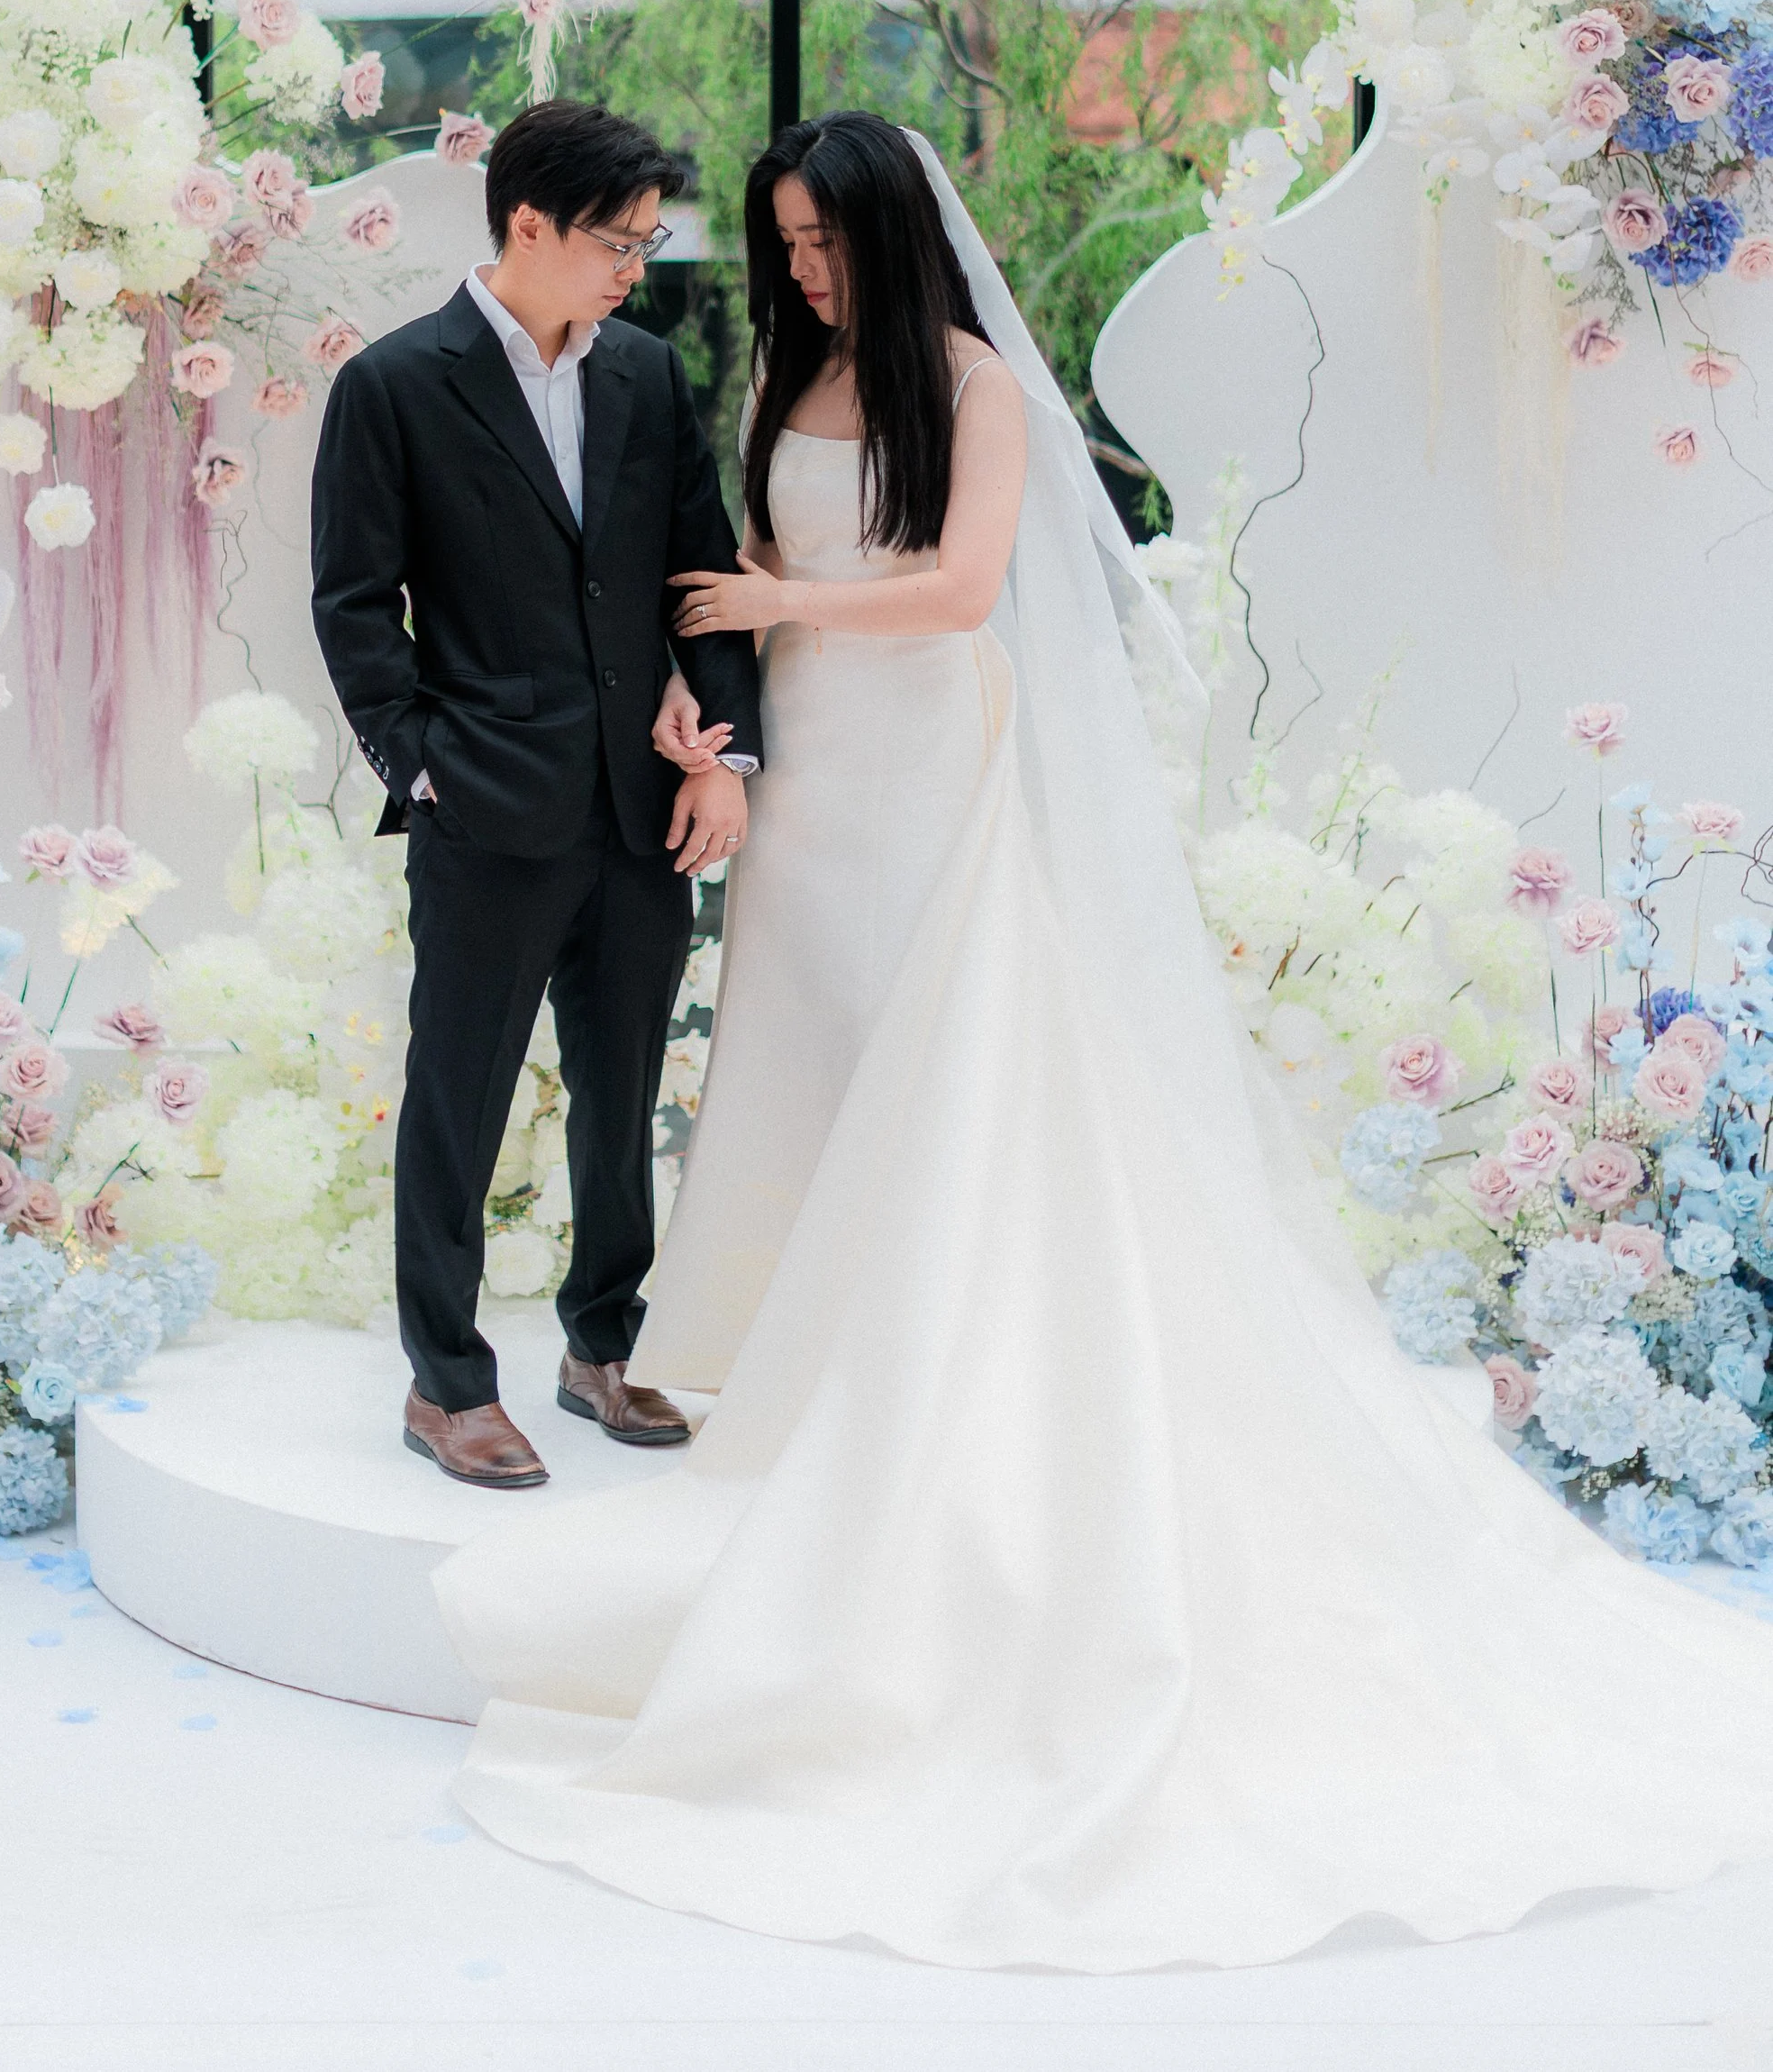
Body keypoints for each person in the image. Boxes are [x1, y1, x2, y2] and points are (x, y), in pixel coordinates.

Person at [435, 111, 1773, 1975]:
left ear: (894, 239)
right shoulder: (789, 377)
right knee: (811, 1081)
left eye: (827, 248)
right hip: (806, 781)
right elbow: (732, 576)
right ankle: (821, 1382)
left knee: (958, 1087)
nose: (804, 275)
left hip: (922, 775)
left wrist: (776, 604)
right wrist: (705, 702)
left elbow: (963, 591)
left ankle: (945, 1415)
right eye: (785, 247)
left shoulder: (969, 385)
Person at [311, 98, 762, 1494]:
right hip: (486, 810)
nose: (639, 265)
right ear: (527, 224)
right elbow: (351, 604)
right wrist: (422, 760)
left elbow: (703, 567)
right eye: (618, 240)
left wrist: (721, 738)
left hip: (644, 807)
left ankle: (604, 1347)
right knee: (459, 1094)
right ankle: (446, 1382)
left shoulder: (643, 372)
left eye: (649, 238)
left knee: (626, 1095)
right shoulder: (394, 383)